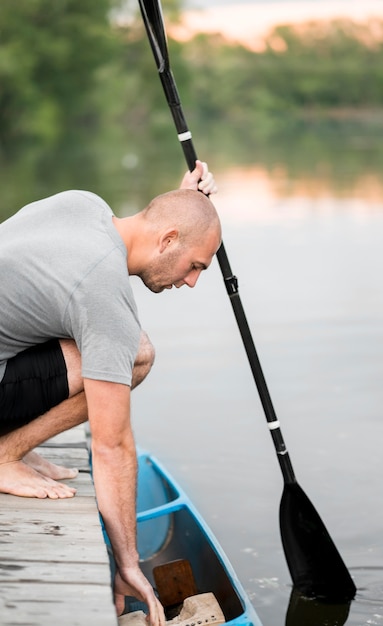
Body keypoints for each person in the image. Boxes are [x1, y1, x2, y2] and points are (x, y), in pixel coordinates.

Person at [0, 160, 221, 626]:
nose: (192, 280)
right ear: (168, 240)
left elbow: (157, 228)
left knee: (109, 341)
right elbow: (111, 443)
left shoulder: (84, 206)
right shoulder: (102, 293)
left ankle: (15, 441)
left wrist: (188, 202)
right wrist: (126, 563)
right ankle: (4, 454)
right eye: (196, 265)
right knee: (134, 354)